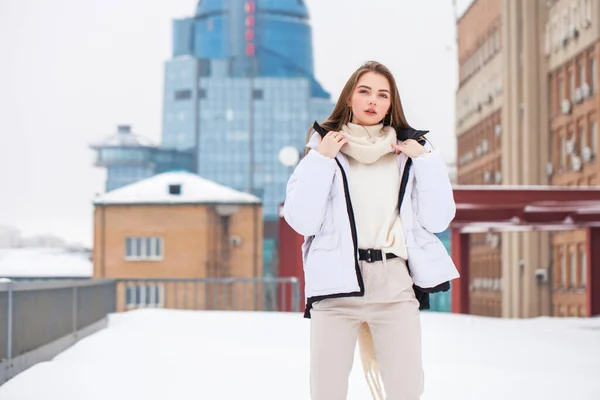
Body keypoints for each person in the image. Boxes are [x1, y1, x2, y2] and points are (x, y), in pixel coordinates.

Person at [283, 61, 459, 400]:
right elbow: (302, 221)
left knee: (406, 391)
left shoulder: (409, 154)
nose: (373, 101)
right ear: (349, 98)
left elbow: (439, 220)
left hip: (393, 287)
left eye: (382, 94)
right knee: (326, 393)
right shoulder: (323, 151)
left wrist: (426, 161)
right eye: (364, 91)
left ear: (391, 104)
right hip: (336, 290)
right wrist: (321, 159)